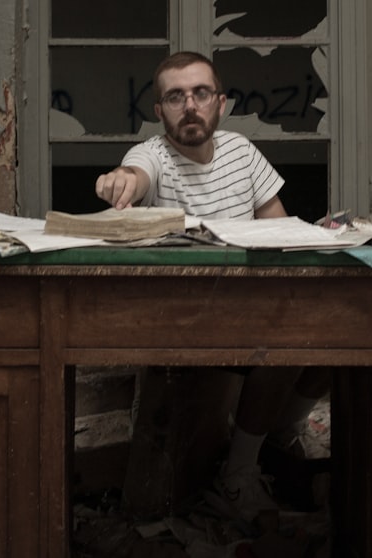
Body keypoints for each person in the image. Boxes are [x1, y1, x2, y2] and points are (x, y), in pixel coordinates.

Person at [95, 51, 330, 521]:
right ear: (159, 111)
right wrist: (122, 181)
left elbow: (278, 229)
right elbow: (135, 175)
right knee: (282, 347)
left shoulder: (241, 151)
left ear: (220, 103)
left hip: (243, 307)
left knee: (334, 338)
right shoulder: (152, 155)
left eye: (201, 93)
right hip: (181, 319)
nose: (190, 106)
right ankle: (239, 474)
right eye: (175, 97)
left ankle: (277, 436)